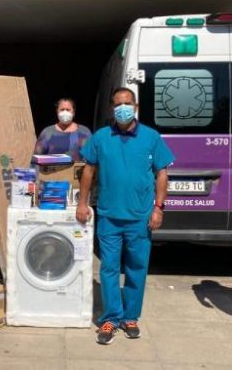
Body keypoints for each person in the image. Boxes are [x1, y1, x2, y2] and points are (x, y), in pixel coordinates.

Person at [76, 87, 174, 345]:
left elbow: (162, 173)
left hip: (141, 218)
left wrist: (158, 207)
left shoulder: (151, 137)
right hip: (109, 216)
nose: (123, 108)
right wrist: (82, 203)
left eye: (127, 103)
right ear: (112, 108)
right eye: (118, 104)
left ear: (136, 107)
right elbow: (88, 172)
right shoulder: (100, 137)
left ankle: (130, 316)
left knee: (136, 268)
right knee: (108, 268)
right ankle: (110, 318)